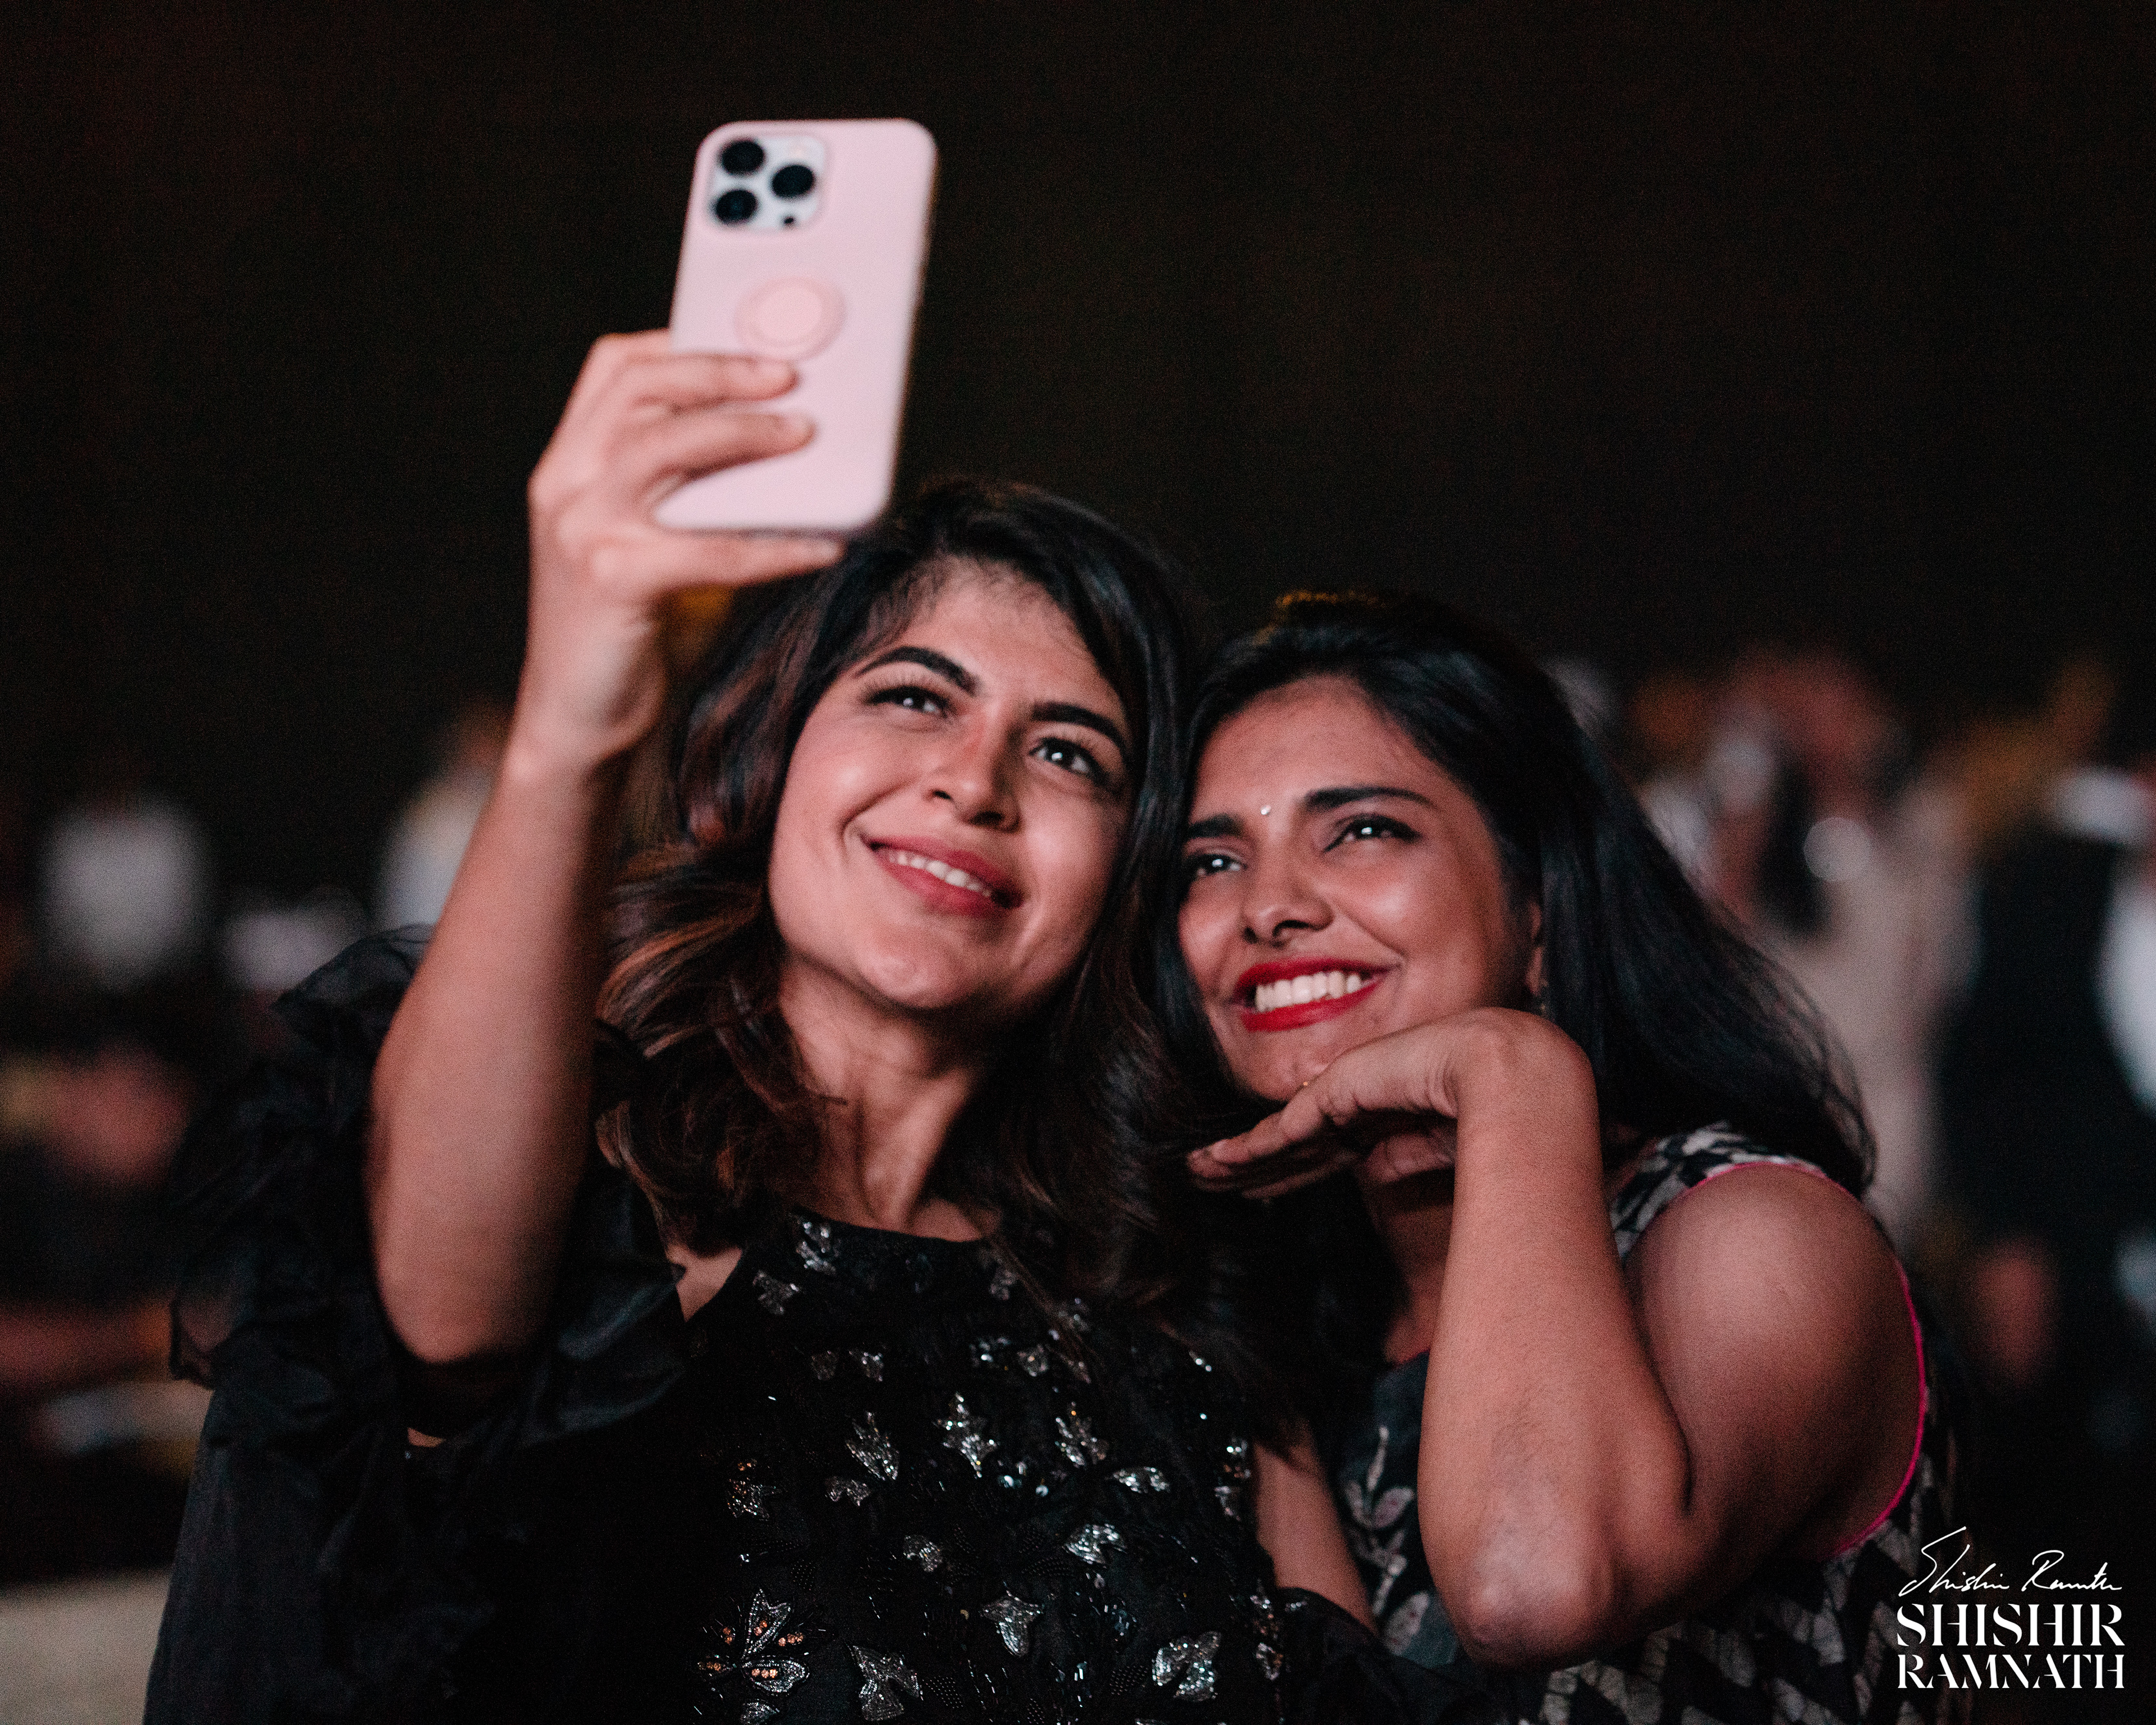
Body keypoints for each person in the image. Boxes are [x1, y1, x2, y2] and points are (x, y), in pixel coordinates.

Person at [149, 338, 1487, 1724]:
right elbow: (438, 1332)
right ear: (772, 751)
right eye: (914, 697)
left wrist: (1518, 1086)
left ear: (1128, 872)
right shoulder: (578, 1184)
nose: (974, 782)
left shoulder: (1173, 1304)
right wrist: (572, 728)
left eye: (1067, 753)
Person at [1164, 592, 1958, 1723]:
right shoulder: (1299, 1303)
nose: (1270, 908)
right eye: (1212, 859)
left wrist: (1513, 1080)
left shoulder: (1755, 1233)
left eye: (1363, 831)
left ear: (1537, 907)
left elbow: (1532, 1587)